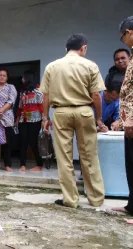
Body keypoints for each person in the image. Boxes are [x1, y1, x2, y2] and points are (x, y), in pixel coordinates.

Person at [40, 33, 105, 208]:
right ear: (83, 48)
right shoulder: (90, 65)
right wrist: (99, 119)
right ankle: (96, 199)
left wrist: (45, 118)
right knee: (89, 155)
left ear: (66, 48)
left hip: (60, 112)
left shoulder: (52, 66)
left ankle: (70, 199)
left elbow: (45, 96)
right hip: (84, 111)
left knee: (64, 158)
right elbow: (96, 96)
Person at [112, 16, 133, 224]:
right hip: (129, 122)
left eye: (122, 37)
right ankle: (131, 205)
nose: (123, 41)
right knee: (130, 164)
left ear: (129, 32)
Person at [16, 71, 44, 172]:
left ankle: (40, 164)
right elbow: (19, 107)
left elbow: (42, 107)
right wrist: (17, 119)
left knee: (34, 142)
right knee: (22, 142)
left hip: (35, 121)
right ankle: (22, 164)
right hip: (23, 121)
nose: (22, 80)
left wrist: (45, 120)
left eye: (23, 78)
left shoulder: (38, 91)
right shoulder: (23, 92)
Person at [0, 69, 17, 172]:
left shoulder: (11, 87)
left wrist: (1, 110)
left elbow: (11, 101)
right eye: (0, 75)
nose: (2, 77)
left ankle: (7, 164)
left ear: (7, 77)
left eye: (4, 75)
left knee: (7, 142)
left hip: (7, 117)